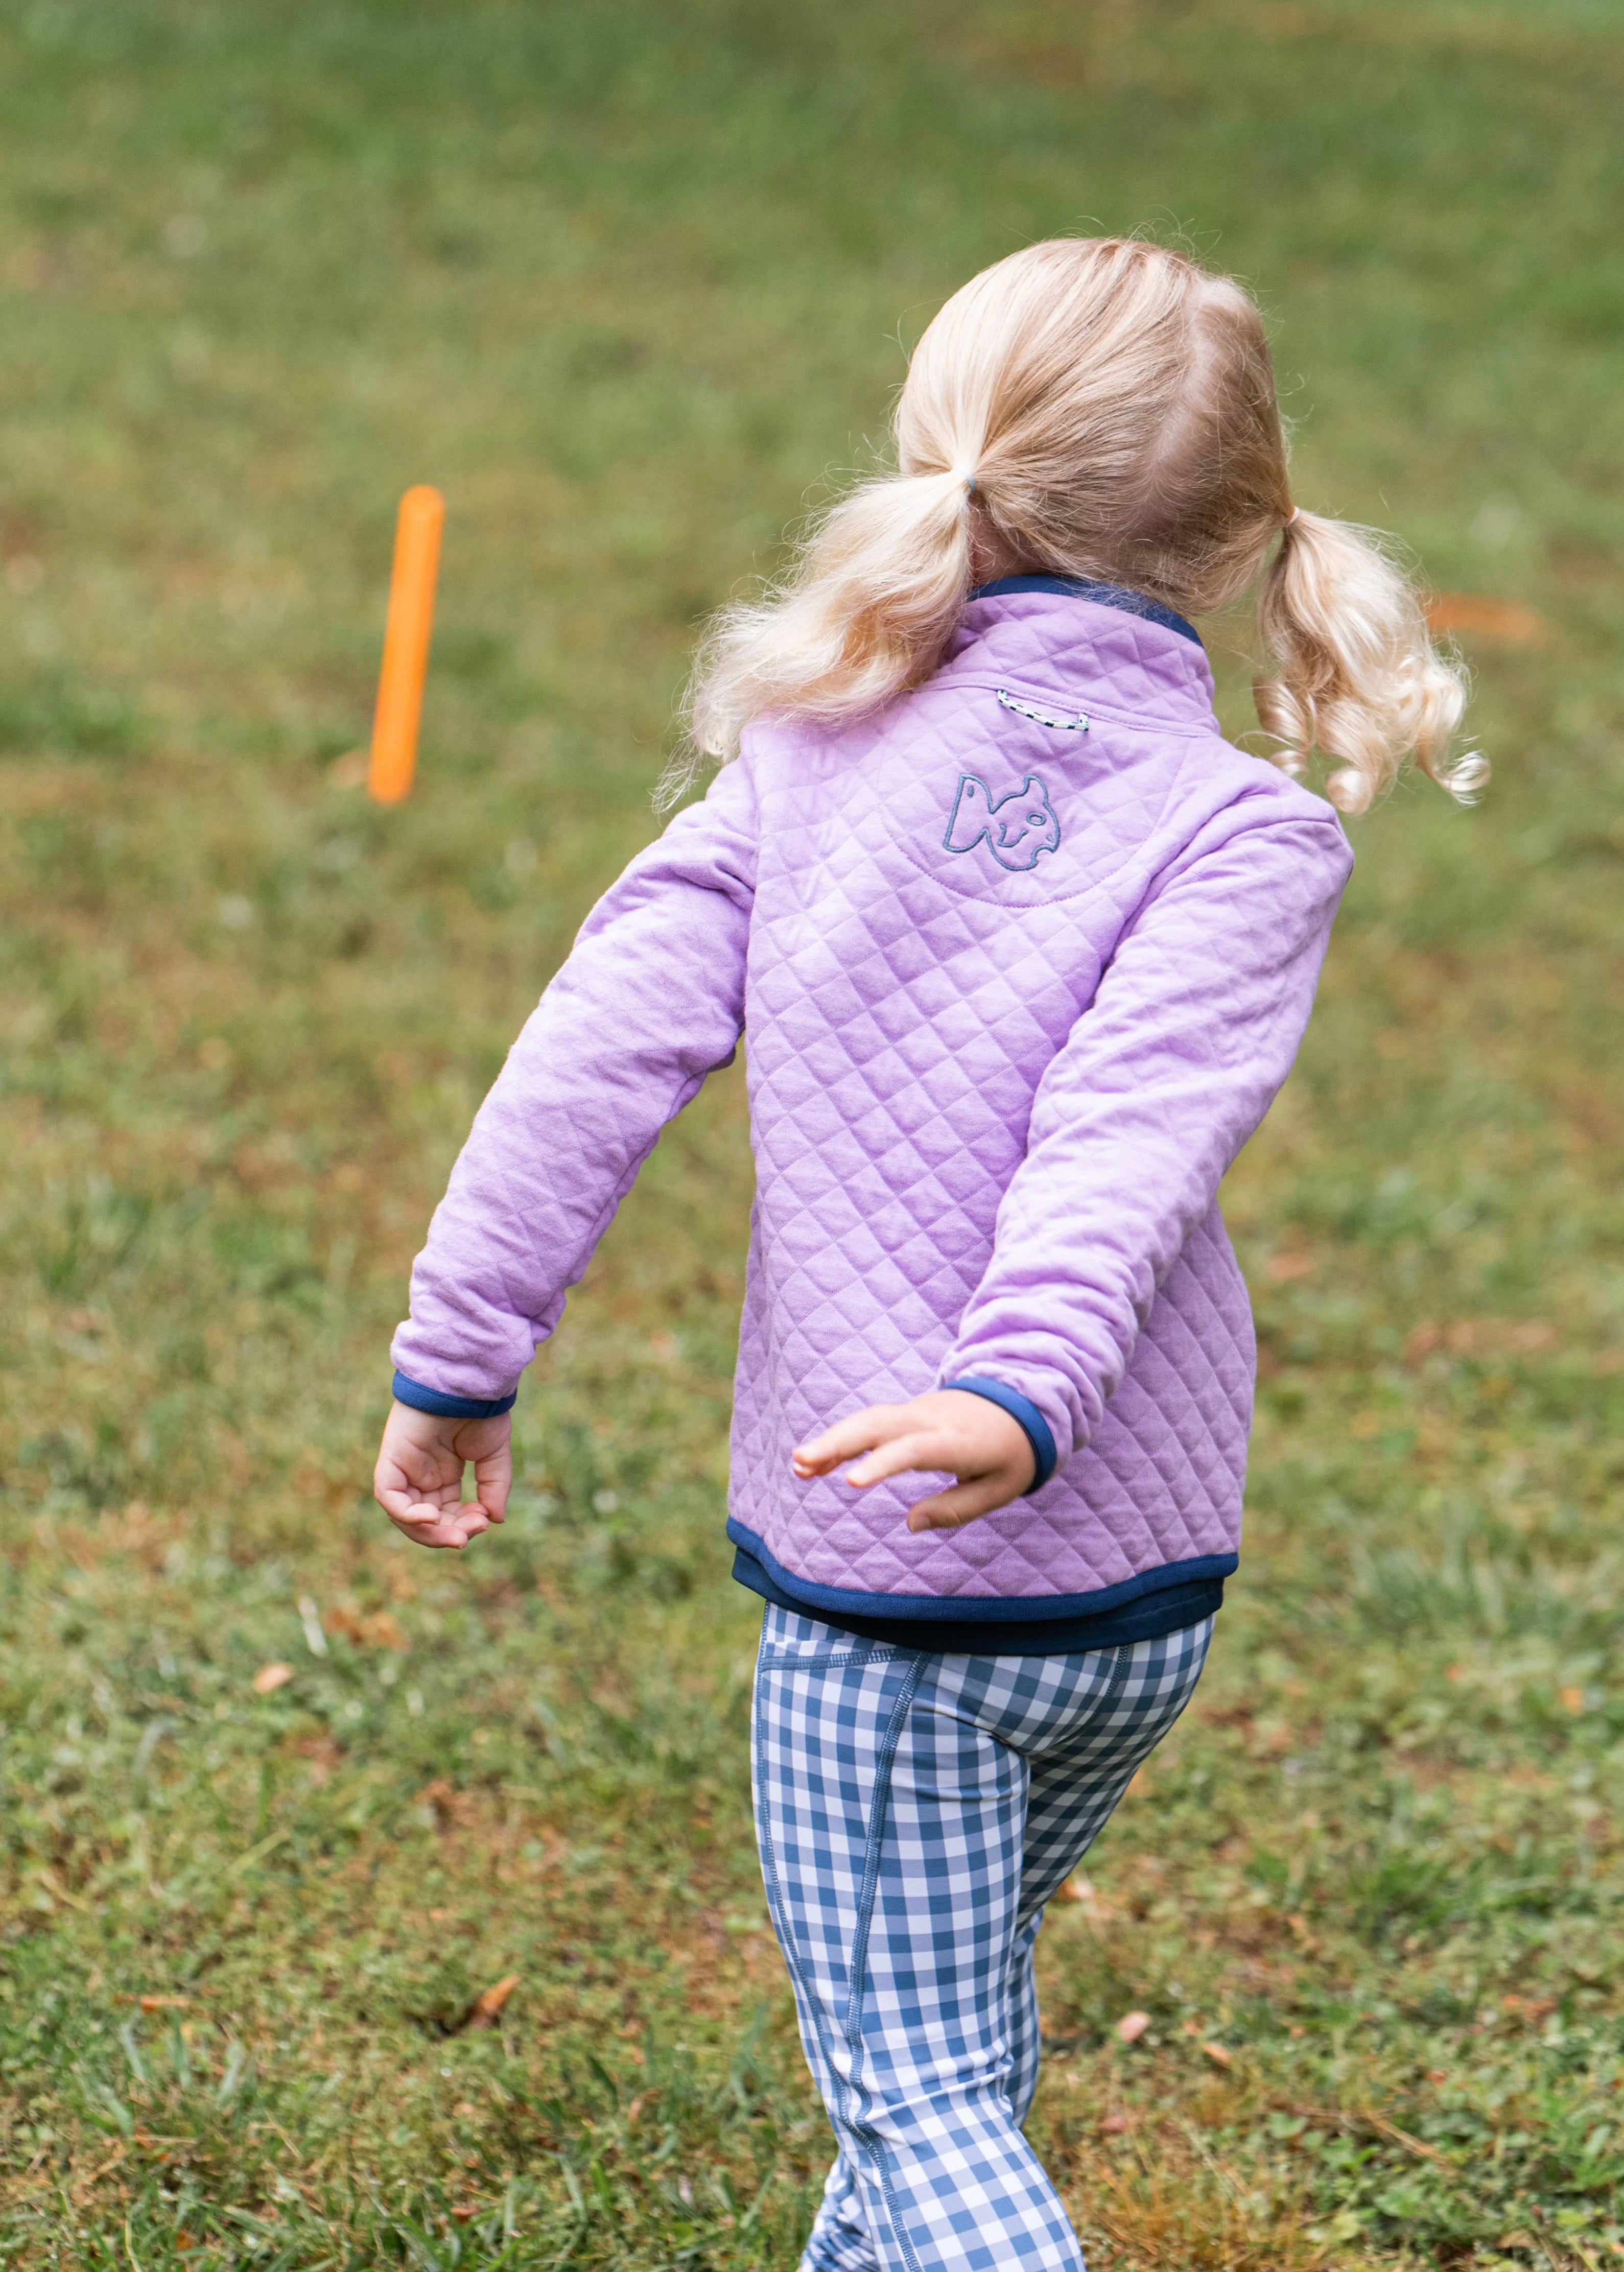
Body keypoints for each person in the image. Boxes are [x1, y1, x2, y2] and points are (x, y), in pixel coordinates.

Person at [373, 238, 1480, 2272]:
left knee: (915, 2085)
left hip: (906, 1595)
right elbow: (1138, 1132)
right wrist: (1044, 1400)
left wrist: (464, 1351)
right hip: (1137, 1599)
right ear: (1247, 531)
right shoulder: (1245, 826)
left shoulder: (803, 764)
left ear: (937, 460)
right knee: (943, 2024)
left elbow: (587, 1064)